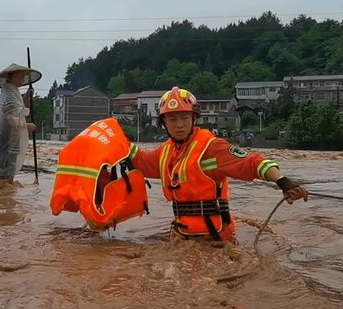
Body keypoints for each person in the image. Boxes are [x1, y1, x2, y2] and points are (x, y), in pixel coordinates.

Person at [129, 87, 308, 242]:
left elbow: (253, 163)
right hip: (182, 234)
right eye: (173, 119)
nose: (179, 125)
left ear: (194, 118)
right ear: (164, 123)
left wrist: (283, 181)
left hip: (215, 238)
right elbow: (140, 160)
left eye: (184, 117)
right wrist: (109, 141)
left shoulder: (213, 147)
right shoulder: (165, 152)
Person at [0, 63, 42, 195]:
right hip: (3, 141)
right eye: (21, 76)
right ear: (11, 77)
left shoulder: (12, 91)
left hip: (10, 141)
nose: (23, 79)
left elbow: (18, 110)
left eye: (24, 76)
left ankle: (5, 205)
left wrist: (26, 96)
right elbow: (10, 118)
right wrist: (27, 126)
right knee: (3, 178)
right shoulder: (8, 93)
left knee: (8, 177)